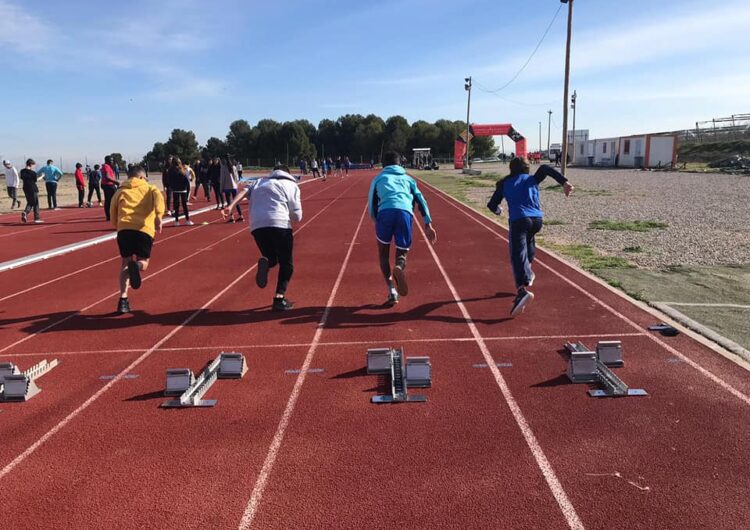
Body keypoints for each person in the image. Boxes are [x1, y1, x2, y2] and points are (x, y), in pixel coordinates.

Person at [487, 157, 574, 317]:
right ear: (526, 168)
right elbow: (546, 169)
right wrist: (564, 183)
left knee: (517, 254)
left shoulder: (504, 183)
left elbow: (491, 205)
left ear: (511, 169)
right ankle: (528, 271)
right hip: (537, 220)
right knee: (528, 243)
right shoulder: (533, 178)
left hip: (519, 220)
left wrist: (499, 211)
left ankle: (522, 290)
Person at [222, 164, 301, 311]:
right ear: (288, 173)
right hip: (280, 223)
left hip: (257, 225)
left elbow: (244, 192)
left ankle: (268, 263)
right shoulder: (291, 184)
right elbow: (297, 215)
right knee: (286, 263)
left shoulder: (259, 181)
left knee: (271, 257)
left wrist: (231, 206)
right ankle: (279, 298)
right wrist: (289, 214)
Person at [367, 151, 437, 307]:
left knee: (383, 255)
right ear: (400, 164)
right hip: (405, 213)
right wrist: (428, 223)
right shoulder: (408, 179)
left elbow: (371, 203)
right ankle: (399, 265)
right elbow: (421, 200)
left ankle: (392, 290)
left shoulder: (378, 178)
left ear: (383, 165)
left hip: (385, 214)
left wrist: (375, 219)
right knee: (402, 252)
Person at [110, 165, 165, 314]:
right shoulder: (150, 188)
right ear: (141, 177)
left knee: (124, 263)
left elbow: (112, 210)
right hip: (143, 229)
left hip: (124, 230)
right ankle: (137, 266)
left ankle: (123, 300)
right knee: (144, 262)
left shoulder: (120, 190)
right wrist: (159, 216)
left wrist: (117, 225)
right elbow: (159, 200)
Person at [167, 158, 193, 225]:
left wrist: (172, 187)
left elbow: (169, 180)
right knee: (184, 205)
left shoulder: (170, 170)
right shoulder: (182, 169)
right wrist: (187, 187)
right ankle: (187, 220)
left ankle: (176, 221)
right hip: (183, 189)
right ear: (179, 162)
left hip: (175, 189)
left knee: (176, 205)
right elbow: (186, 179)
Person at [19, 159, 43, 223]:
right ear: (31, 164)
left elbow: (22, 177)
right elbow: (36, 180)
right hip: (33, 188)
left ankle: (25, 213)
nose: (34, 167)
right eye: (33, 165)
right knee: (35, 203)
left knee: (30, 202)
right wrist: (42, 176)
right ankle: (36, 218)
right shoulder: (33, 173)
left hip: (25, 188)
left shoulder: (22, 171)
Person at [220, 157, 242, 222]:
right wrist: (236, 184)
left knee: (229, 203)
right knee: (236, 201)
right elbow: (237, 177)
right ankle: (241, 215)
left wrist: (221, 188)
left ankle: (232, 217)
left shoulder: (223, 168)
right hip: (234, 186)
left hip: (227, 187)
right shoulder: (234, 167)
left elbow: (222, 178)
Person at [101, 155, 119, 221]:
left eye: (112, 160)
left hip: (106, 184)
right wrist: (116, 182)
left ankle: (109, 215)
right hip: (108, 185)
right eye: (110, 160)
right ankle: (110, 215)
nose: (112, 161)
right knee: (113, 200)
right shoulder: (106, 166)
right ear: (106, 160)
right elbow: (107, 177)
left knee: (108, 200)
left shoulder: (105, 166)